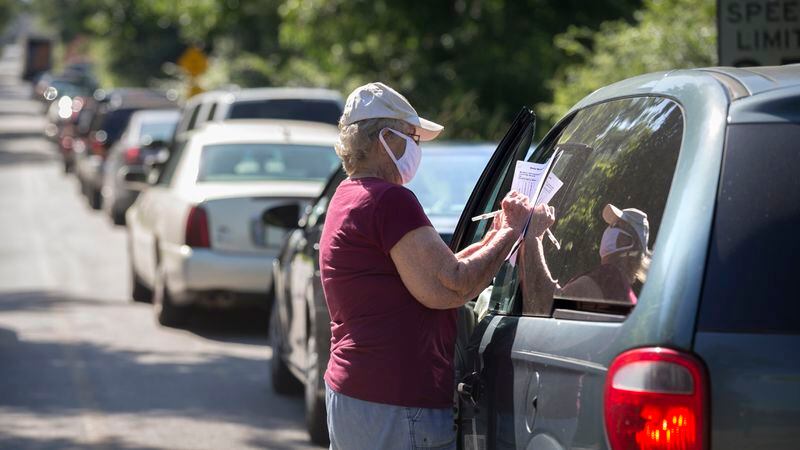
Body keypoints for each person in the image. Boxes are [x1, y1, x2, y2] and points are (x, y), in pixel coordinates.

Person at [319, 82, 533, 450]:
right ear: (386, 138)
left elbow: (435, 271)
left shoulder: (350, 195)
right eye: (413, 136)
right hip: (394, 399)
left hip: (359, 392)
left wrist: (493, 237)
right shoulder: (390, 200)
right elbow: (451, 285)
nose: (417, 148)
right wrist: (513, 231)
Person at [520, 203, 651, 311]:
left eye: (616, 226)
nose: (609, 230)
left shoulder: (610, 278)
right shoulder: (625, 292)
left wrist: (533, 235)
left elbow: (550, 306)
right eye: (610, 225)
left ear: (630, 243)